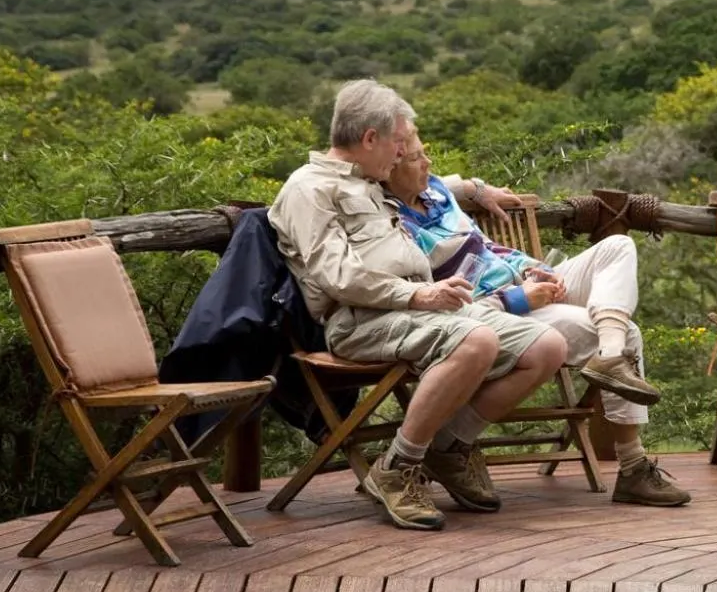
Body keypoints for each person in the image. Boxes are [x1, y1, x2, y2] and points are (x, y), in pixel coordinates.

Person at [269, 80, 569, 531]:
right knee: (477, 340)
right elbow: (339, 277)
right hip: (362, 321)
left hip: (420, 309)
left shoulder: (368, 180)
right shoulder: (308, 190)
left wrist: (473, 189)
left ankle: (446, 447)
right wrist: (418, 294)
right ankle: (396, 468)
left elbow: (429, 185)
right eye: (398, 144)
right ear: (370, 139)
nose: (400, 155)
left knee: (547, 346)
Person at [384, 129, 691, 507]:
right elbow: (450, 309)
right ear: (388, 168)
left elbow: (487, 247)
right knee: (628, 333)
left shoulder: (434, 191)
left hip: (528, 288)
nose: (427, 163)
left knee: (617, 246)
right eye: (417, 158)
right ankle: (632, 467)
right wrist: (518, 299)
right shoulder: (393, 227)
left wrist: (531, 267)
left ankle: (608, 354)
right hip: (498, 314)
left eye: (424, 153)